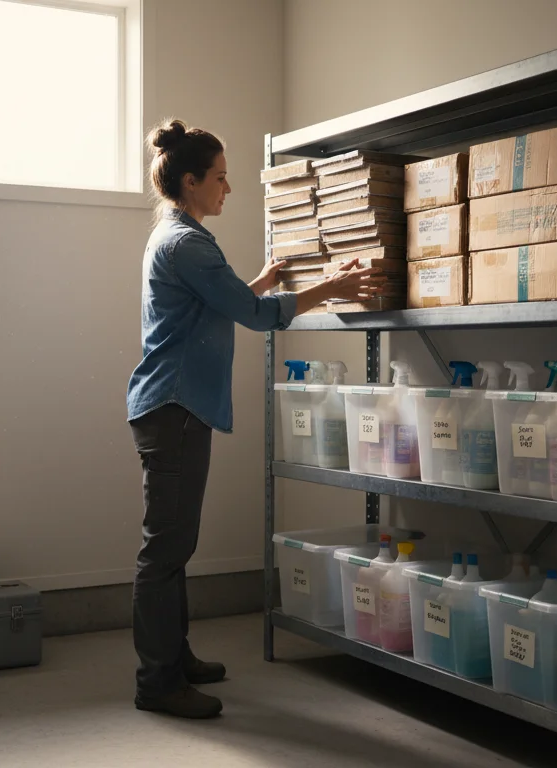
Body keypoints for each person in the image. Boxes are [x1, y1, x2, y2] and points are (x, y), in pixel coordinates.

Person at [125, 119, 385, 719]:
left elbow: (215, 305)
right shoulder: (187, 242)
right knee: (165, 550)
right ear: (190, 182)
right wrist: (333, 284)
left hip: (175, 408)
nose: (228, 188)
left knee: (174, 546)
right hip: (175, 410)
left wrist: (261, 282)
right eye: (219, 177)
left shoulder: (174, 234)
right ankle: (157, 683)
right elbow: (257, 316)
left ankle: (175, 658)